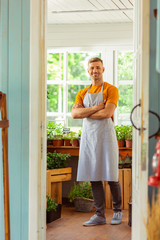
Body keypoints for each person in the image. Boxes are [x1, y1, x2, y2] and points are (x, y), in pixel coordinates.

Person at [71, 57, 122, 226]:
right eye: (92, 68)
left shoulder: (111, 89)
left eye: (98, 67)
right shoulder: (82, 93)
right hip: (89, 138)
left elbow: (107, 114)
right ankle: (99, 215)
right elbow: (74, 115)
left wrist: (85, 112)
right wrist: (96, 107)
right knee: (94, 176)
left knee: (111, 175)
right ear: (88, 71)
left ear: (103, 69)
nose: (95, 70)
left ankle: (117, 211)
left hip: (106, 137)